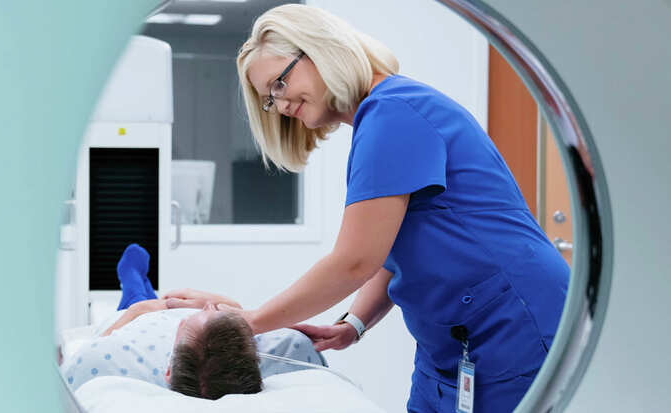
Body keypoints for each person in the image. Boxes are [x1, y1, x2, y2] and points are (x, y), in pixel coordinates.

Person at [165, 5, 569, 412]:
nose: (281, 104)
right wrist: (353, 325)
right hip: (447, 345)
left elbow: (354, 261)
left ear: (318, 50)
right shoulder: (378, 120)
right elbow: (390, 253)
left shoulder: (394, 112)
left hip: (513, 325)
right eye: (270, 98)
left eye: (279, 83)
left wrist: (246, 323)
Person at [60, 244, 325, 400]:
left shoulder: (120, 354)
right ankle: (141, 285)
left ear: (167, 370)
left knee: (138, 294)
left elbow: (93, 347)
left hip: (144, 319)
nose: (208, 306)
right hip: (185, 319)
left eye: (188, 320)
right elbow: (241, 313)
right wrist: (215, 305)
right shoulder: (279, 350)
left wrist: (137, 313)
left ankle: (133, 284)